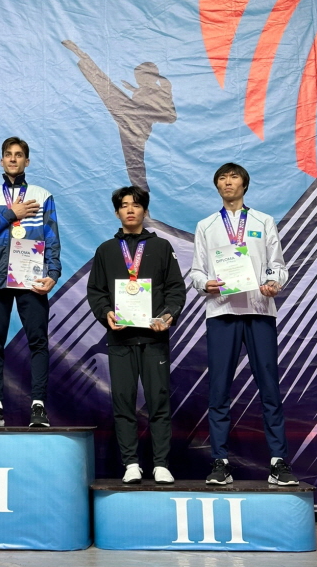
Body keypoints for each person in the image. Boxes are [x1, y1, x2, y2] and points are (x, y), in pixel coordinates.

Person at [190, 163, 298, 485]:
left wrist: (273, 283)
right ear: (217, 186)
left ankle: (278, 462)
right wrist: (204, 284)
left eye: (233, 177)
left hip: (259, 310)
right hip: (221, 312)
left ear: (244, 184)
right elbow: (197, 271)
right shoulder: (206, 225)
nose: (228, 182)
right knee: (219, 389)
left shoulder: (263, 221)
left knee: (269, 388)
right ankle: (220, 462)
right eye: (222, 178)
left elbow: (277, 266)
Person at [87, 186, 185, 483]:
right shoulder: (106, 250)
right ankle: (131, 463)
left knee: (159, 401)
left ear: (145, 210)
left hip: (154, 337)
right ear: (116, 212)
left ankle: (161, 464)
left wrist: (168, 315)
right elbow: (96, 291)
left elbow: (176, 289)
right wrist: (106, 313)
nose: (130, 209)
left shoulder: (161, 247)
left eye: (136, 204)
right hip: (120, 338)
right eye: (124, 205)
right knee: (123, 401)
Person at [0, 137, 61, 427]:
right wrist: (12, 214)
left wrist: (53, 274)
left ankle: (38, 407)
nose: (13, 159)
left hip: (31, 277)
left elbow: (51, 237)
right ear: (1, 160)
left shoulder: (42, 195)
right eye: (8, 154)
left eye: (18, 155)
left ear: (27, 161)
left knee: (38, 341)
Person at [62, 40, 176, 190]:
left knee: (106, 88)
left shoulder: (161, 90)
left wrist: (145, 111)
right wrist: (134, 91)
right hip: (128, 122)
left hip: (137, 124)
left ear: (152, 77)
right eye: (138, 77)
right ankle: (82, 56)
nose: (139, 80)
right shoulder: (143, 90)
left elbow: (171, 116)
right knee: (133, 163)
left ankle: (82, 56)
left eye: (142, 77)